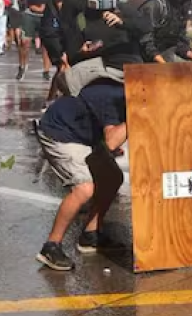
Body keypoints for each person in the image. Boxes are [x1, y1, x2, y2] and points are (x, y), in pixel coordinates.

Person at [33, 81, 129, 270]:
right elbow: (111, 141)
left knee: (112, 179)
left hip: (82, 137)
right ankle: (50, 247)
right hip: (59, 132)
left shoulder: (121, 93)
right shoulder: (115, 96)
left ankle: (90, 235)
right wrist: (135, 117)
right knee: (85, 188)